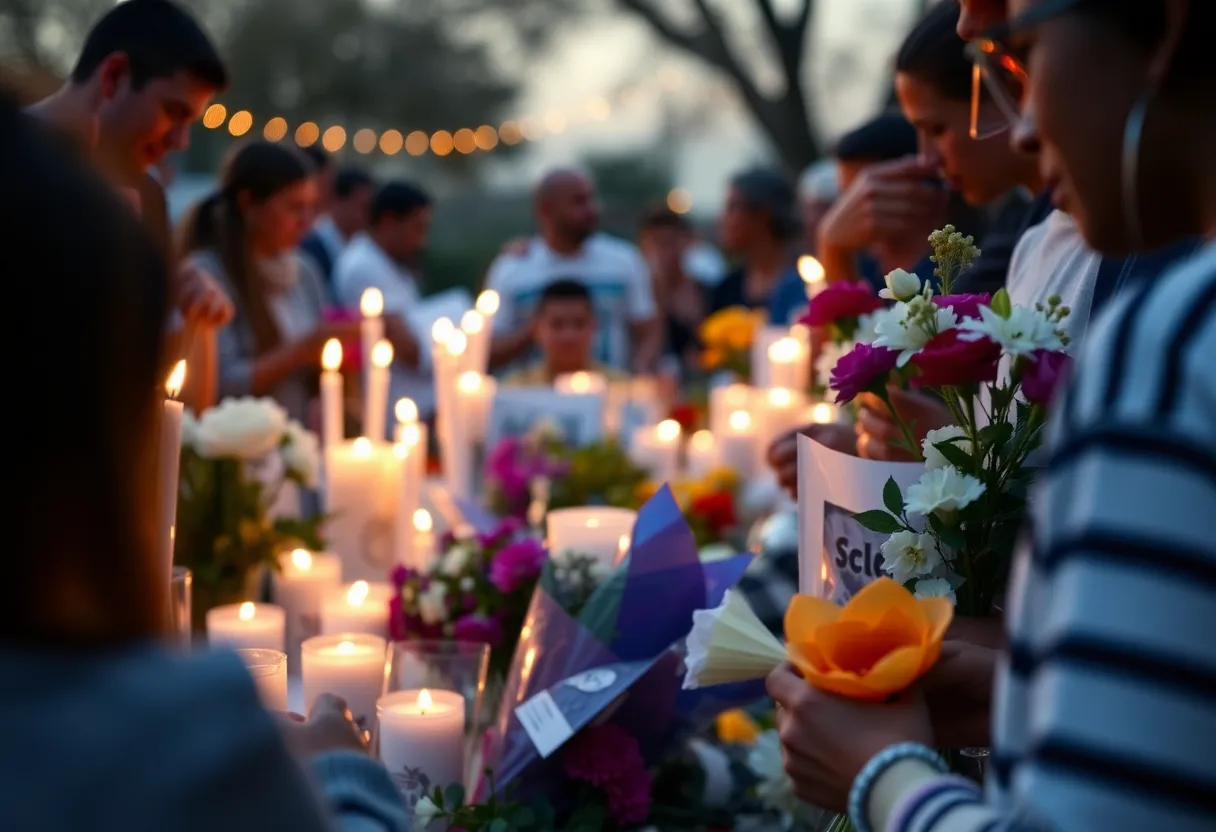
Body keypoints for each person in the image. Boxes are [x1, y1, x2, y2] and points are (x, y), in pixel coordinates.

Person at [769, 4, 1216, 832]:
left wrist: (882, 779)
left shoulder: (1174, 340)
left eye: (1023, 56)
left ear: (1168, 28)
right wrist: (1028, 689)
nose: (1020, 129)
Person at [0, 92, 408, 832]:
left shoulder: (307, 273)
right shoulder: (173, 737)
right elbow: (214, 398)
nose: (306, 224)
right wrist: (346, 770)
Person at [26, 0, 234, 413]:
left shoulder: (148, 197)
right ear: (114, 76)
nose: (180, 141)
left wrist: (197, 320)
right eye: (173, 112)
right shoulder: (15, 166)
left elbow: (173, 402)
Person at [179, 141, 359, 424]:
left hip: (297, 443)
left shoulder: (305, 271)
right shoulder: (208, 277)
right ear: (248, 202)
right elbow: (217, 388)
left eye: (311, 208)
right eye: (295, 208)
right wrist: (301, 350)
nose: (307, 222)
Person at [485, 168, 661, 375]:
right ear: (546, 210)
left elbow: (648, 331)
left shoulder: (624, 261)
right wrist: (536, 331)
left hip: (609, 396)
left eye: (592, 199)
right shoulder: (512, 270)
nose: (592, 210)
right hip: (533, 400)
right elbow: (489, 350)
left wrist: (642, 371)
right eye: (579, 202)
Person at [333, 181, 433, 425]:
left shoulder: (390, 262)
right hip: (388, 410)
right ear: (388, 222)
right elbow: (409, 348)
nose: (422, 241)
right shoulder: (362, 266)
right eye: (417, 229)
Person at [708, 168, 800, 316]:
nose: (722, 218)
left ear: (763, 214)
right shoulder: (727, 290)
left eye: (732, 207)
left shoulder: (807, 283)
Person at [502, 279, 630, 386]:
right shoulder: (515, 388)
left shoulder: (620, 387)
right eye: (557, 325)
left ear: (594, 327)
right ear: (536, 329)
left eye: (579, 324)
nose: (569, 336)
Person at [638, 206, 707, 371]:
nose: (660, 253)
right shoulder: (638, 294)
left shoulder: (704, 291)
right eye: (654, 243)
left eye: (668, 243)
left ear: (686, 243)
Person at [302, 167, 376, 290]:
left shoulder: (365, 245)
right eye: (361, 206)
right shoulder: (313, 244)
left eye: (370, 208)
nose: (366, 214)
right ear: (338, 200)